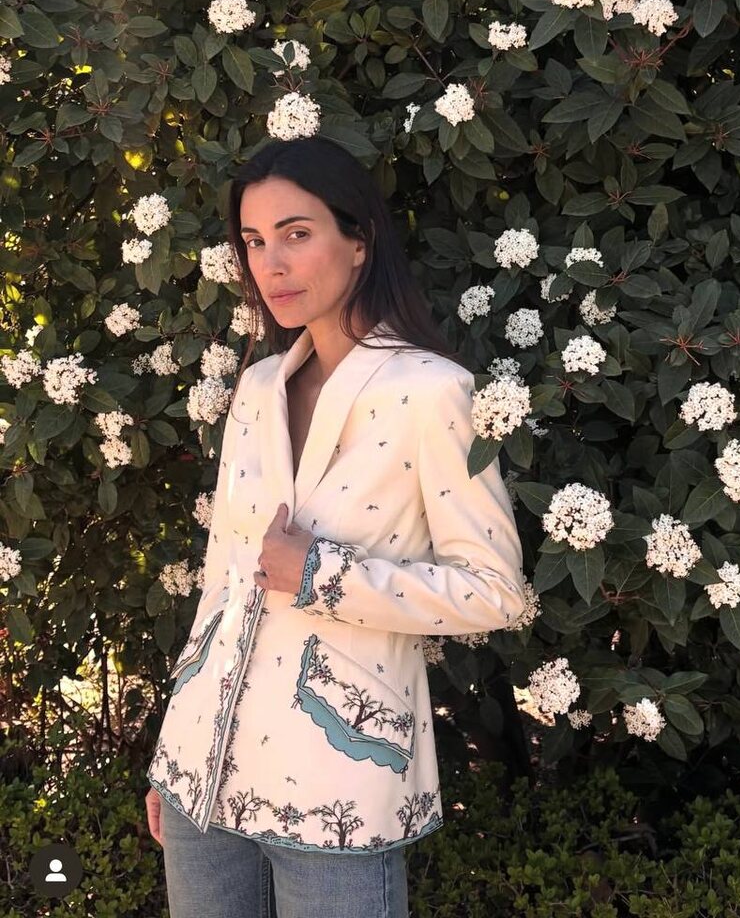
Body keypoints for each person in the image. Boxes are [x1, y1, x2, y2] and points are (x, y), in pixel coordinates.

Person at [145, 136, 526, 918]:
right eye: (254, 241)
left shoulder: (432, 393)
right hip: (199, 777)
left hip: (335, 790)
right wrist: (169, 749)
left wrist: (322, 574)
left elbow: (496, 591)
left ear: (359, 240)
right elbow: (221, 583)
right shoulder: (258, 388)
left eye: (296, 233)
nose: (272, 264)